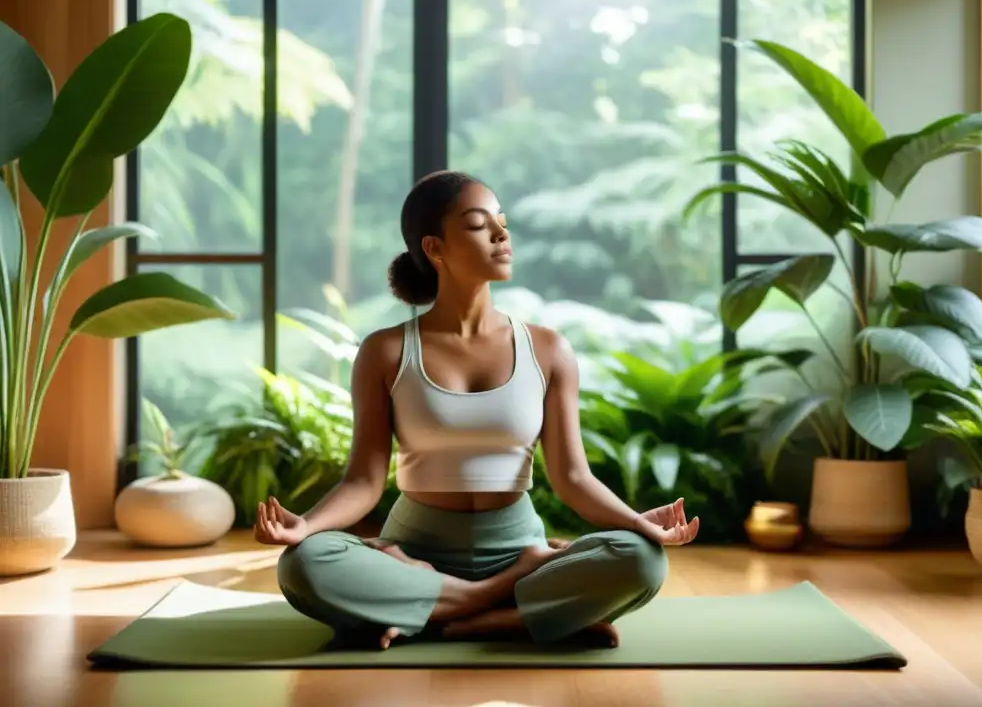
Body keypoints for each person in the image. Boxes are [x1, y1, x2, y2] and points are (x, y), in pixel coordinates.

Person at [253, 170, 700, 651]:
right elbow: (363, 480)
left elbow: (573, 478)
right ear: (435, 248)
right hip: (414, 550)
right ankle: (508, 608)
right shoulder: (385, 352)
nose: (501, 234)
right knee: (303, 564)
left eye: (501, 222)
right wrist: (307, 526)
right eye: (477, 224)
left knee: (643, 560)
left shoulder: (548, 349)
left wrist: (637, 523)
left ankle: (431, 615)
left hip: (515, 544)